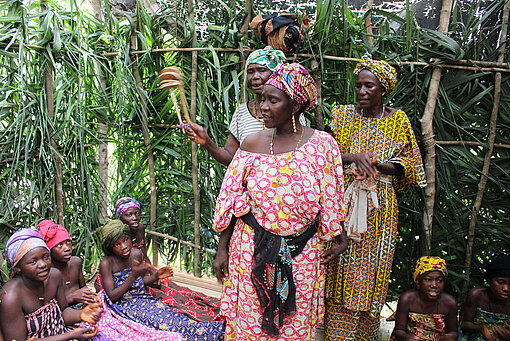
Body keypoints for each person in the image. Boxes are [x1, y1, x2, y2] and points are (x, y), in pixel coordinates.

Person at [212, 62, 347, 340]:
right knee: (250, 325)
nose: (263, 107)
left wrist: (339, 237)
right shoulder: (251, 144)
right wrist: (222, 248)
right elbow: (233, 198)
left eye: (273, 100)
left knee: (294, 327)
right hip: (250, 251)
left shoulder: (323, 146)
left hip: (303, 255)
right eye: (262, 99)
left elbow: (332, 199)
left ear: (295, 105)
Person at [324, 53, 426, 340]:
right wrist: (354, 158)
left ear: (384, 88)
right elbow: (326, 154)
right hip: (344, 199)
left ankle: (365, 331)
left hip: (379, 206)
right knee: (340, 262)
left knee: (373, 264)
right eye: (359, 86)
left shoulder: (398, 120)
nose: (362, 91)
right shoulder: (343, 115)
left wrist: (376, 165)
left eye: (369, 86)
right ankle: (337, 332)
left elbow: (409, 165)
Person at [98, 220, 224, 341]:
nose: (124, 246)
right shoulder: (107, 263)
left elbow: (139, 283)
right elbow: (112, 296)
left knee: (173, 317)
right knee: (163, 326)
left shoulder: (136, 254)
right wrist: (132, 276)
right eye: (117, 244)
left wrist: (156, 276)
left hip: (144, 299)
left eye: (126, 240)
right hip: (124, 306)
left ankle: (211, 331)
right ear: (110, 247)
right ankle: (205, 334)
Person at [115, 197, 223, 322]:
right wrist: (147, 278)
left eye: (137, 214)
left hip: (143, 271)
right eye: (128, 215)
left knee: (183, 294)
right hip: (129, 278)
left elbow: (143, 253)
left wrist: (153, 273)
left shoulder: (139, 228)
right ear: (120, 217)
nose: (134, 218)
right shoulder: (117, 235)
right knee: (165, 299)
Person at [183, 46, 289, 165]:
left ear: (276, 74)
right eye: (250, 72)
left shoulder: (288, 110)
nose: (255, 76)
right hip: (250, 183)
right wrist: (206, 141)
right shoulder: (242, 112)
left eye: (262, 70)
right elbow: (230, 158)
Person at [0, 229, 102, 340]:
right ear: (18, 267)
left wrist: (81, 314)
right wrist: (70, 336)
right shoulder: (11, 297)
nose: (42, 264)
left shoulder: (54, 276)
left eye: (45, 257)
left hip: (62, 333)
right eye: (33, 262)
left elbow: (63, 312)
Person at [390, 256, 458, 341]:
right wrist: (408, 338)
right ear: (419, 281)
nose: (434, 285)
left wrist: (449, 337)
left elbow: (453, 332)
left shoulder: (449, 302)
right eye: (428, 280)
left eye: (439, 280)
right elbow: (399, 331)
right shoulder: (407, 299)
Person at [37, 219, 98, 309]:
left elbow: (83, 287)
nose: (67, 248)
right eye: (59, 245)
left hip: (83, 306)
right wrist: (72, 297)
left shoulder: (75, 262)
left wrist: (91, 296)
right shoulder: (48, 275)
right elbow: (48, 308)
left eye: (68, 242)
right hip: (63, 313)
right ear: (49, 251)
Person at [460, 254, 510, 341]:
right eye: (500, 282)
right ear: (489, 280)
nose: (506, 289)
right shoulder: (477, 295)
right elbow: (465, 324)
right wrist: (481, 328)